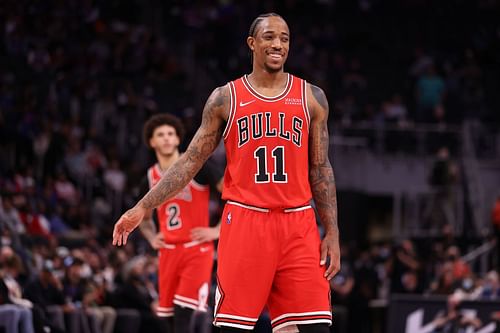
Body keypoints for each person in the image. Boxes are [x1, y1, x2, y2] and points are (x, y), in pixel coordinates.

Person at [113, 12, 340, 333]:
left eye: (284, 38)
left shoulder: (311, 97)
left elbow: (320, 168)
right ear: (252, 43)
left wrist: (332, 231)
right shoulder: (225, 98)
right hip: (246, 221)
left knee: (316, 327)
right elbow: (190, 161)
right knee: (232, 328)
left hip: (299, 223)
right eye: (269, 37)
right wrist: (143, 206)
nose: (278, 44)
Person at [137, 114, 223, 332]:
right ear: (151, 142)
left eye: (170, 134)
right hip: (168, 252)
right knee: (168, 318)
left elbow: (232, 194)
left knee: (183, 311)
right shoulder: (149, 177)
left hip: (196, 249)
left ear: (177, 139)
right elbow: (143, 216)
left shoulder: (197, 165)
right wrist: (150, 235)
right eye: (160, 135)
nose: (166, 139)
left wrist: (218, 230)